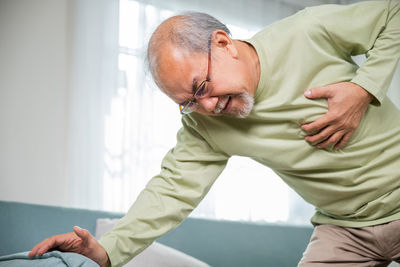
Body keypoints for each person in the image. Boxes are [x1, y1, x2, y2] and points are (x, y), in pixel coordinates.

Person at [29, 0, 400, 266]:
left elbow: (392, 13)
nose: (205, 107)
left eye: (201, 86)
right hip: (343, 228)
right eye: (188, 101)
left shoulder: (306, 32)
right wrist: (107, 250)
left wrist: (364, 88)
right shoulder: (204, 123)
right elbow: (172, 190)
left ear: (223, 44)